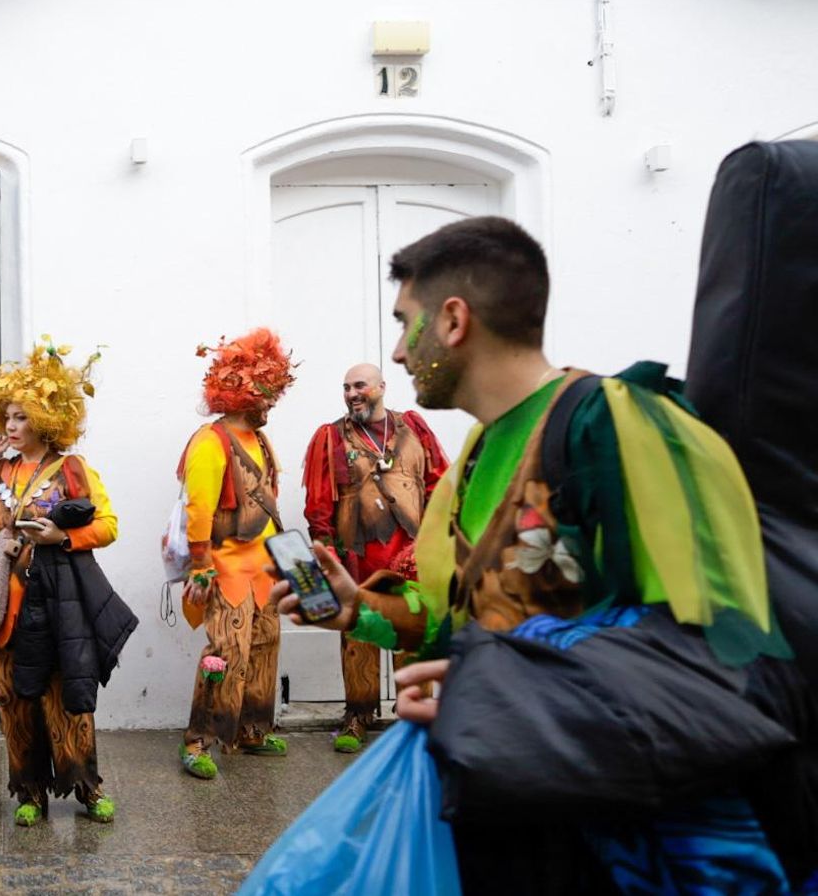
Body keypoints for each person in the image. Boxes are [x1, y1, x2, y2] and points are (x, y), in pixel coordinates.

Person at [273, 216, 794, 891]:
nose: (399, 354)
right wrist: (356, 610)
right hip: (496, 805)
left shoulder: (611, 426)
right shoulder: (473, 455)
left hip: (601, 837)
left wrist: (501, 691)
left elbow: (710, 646)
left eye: (407, 325)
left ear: (454, 320)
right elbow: (449, 626)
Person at [0, 337, 134, 826]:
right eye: (6, 415)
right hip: (3, 608)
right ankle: (29, 794)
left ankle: (86, 788)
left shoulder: (73, 470)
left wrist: (60, 538)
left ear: (47, 421)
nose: (10, 425)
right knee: (15, 704)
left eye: (21, 416)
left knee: (68, 700)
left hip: (59, 606)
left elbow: (108, 526)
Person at [301, 363, 447, 752]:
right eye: (346, 387)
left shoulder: (414, 428)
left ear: (382, 387)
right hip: (358, 563)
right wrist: (327, 555)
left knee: (412, 635)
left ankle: (412, 716)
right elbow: (318, 507)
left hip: (411, 561)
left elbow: (439, 487)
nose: (352, 393)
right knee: (358, 640)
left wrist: (435, 545)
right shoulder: (330, 437)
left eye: (359, 385)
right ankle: (358, 715)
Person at [177, 328, 296, 781]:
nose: (270, 404)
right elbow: (199, 507)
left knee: (264, 647)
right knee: (225, 651)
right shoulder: (211, 441)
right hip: (224, 566)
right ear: (246, 395)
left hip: (264, 565)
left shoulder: (261, 441)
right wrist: (200, 565)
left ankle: (250, 730)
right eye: (266, 395)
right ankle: (199, 740)